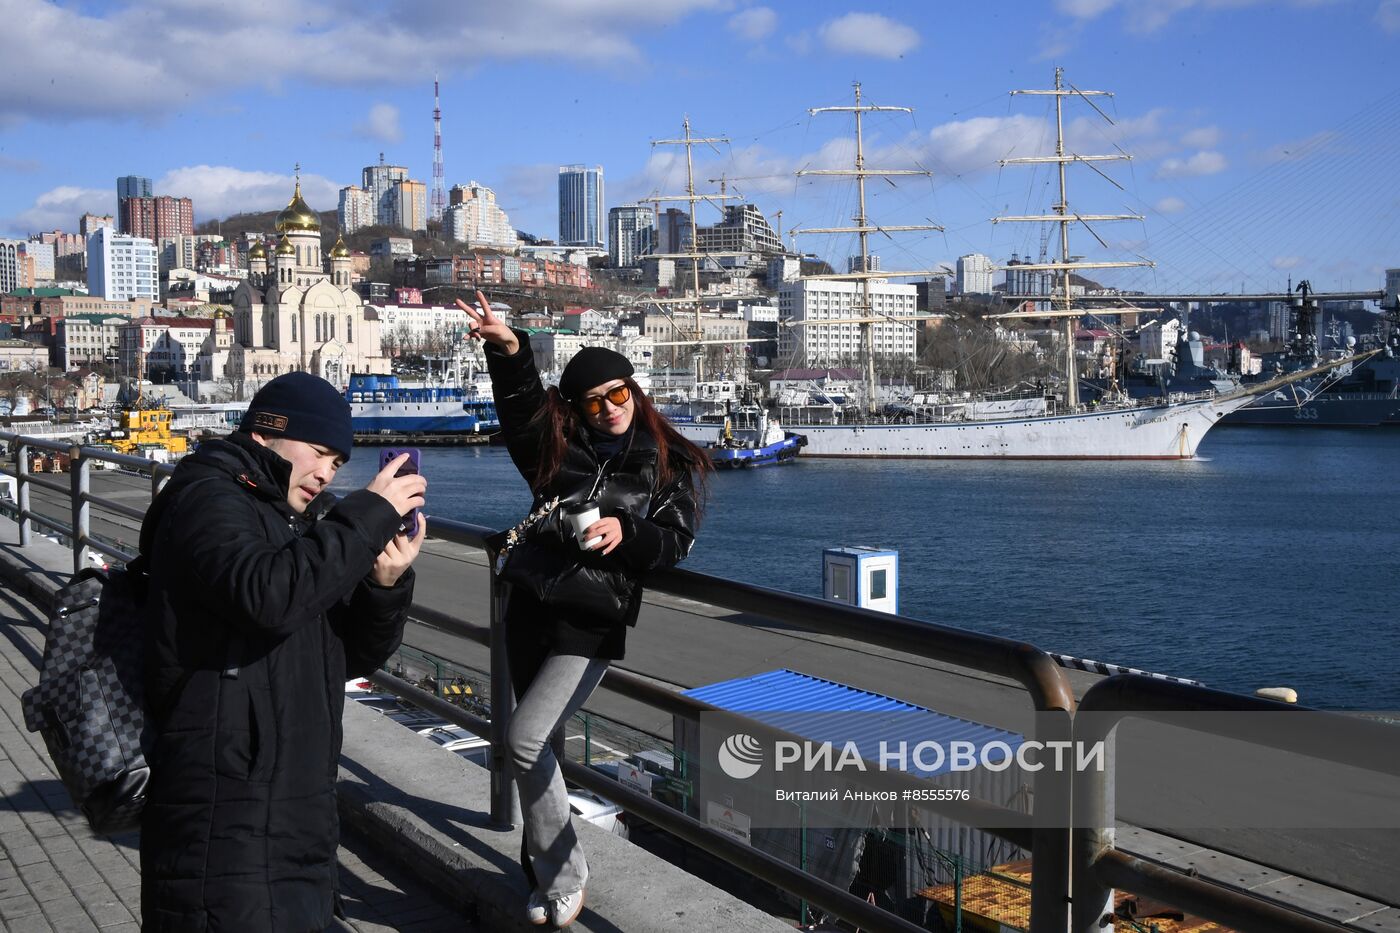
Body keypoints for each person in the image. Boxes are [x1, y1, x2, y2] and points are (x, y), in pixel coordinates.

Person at [138, 371, 428, 932]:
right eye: (318, 453)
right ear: (268, 432)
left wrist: (382, 586)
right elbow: (268, 595)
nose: (326, 474)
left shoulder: (300, 520)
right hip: (224, 806)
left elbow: (348, 658)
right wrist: (366, 514)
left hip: (295, 802)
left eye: (338, 464)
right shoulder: (206, 496)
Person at [458, 291, 709, 928]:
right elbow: (522, 410)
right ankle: (539, 874)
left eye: (619, 393)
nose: (609, 410)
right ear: (578, 408)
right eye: (594, 402)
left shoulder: (670, 461)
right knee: (540, 747)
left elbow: (674, 541)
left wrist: (630, 531)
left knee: (522, 739)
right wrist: (508, 349)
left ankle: (567, 873)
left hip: (591, 615)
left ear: (635, 390)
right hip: (531, 604)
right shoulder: (556, 450)